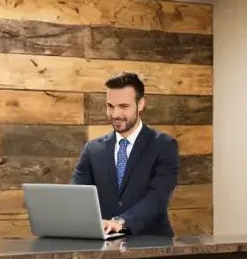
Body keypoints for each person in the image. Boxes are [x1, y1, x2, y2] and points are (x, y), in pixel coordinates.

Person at [71, 72, 180, 237]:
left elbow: (157, 198)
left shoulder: (164, 145)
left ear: (141, 104)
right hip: (103, 247)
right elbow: (76, 196)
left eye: (123, 106)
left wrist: (120, 222)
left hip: (152, 245)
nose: (115, 114)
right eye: (110, 106)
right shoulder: (92, 149)